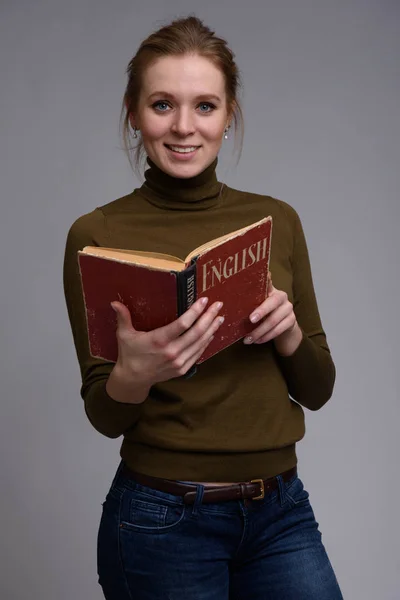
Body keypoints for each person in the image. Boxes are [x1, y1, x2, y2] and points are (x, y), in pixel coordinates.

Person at [63, 15, 343, 600]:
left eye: (205, 106)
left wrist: (289, 334)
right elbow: (103, 414)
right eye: (163, 104)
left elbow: (318, 390)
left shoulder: (277, 221)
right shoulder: (97, 231)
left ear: (229, 112)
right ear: (134, 113)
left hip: (281, 511)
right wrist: (133, 376)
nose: (184, 127)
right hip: (162, 519)